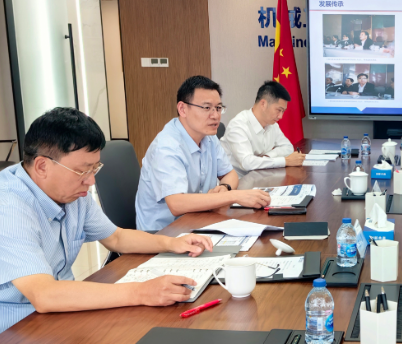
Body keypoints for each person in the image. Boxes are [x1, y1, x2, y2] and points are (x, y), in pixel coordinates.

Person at [0, 108, 214, 333]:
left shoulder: (71, 192)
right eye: (82, 171)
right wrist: (141, 292)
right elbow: (44, 295)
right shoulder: (8, 207)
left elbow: (116, 238)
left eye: (94, 168)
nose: (91, 181)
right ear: (42, 166)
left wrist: (171, 243)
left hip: (61, 311)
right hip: (17, 328)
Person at [135, 76, 272, 231]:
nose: (215, 115)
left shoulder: (209, 137)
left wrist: (225, 187)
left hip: (198, 221)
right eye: (207, 108)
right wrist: (233, 196)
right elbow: (177, 204)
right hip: (163, 233)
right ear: (182, 109)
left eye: (218, 108)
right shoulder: (166, 146)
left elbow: (230, 174)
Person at [221, 81, 305, 176]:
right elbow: (247, 163)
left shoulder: (272, 124)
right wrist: (285, 161)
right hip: (238, 180)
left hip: (260, 176)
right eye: (279, 110)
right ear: (263, 104)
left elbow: (288, 147)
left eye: (283, 111)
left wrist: (267, 156)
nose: (281, 116)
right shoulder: (238, 125)